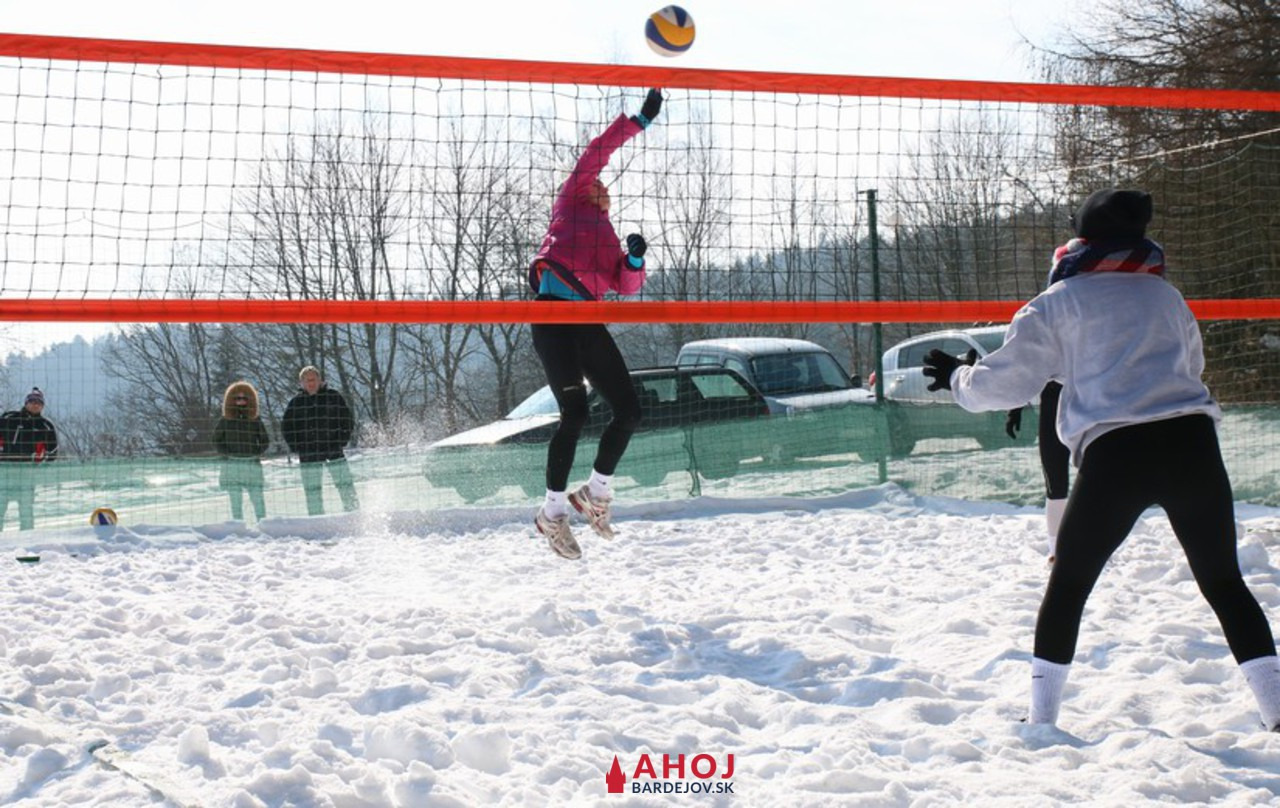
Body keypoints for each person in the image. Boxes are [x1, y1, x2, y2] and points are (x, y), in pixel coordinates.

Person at [922, 188, 1280, 730]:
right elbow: (1192, 366)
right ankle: (1276, 713)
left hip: (1118, 454)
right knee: (1225, 583)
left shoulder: (1058, 301)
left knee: (1069, 584)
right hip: (1192, 444)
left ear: (1081, 237)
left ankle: (1041, 721)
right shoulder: (1167, 296)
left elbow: (1004, 386)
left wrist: (957, 377)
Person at [525, 87, 663, 560]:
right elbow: (599, 151)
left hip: (587, 320)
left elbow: (625, 285)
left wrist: (635, 260)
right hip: (552, 317)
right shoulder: (570, 201)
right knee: (576, 414)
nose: (604, 187)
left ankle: (595, 493)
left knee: (630, 410)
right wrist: (639, 122)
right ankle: (552, 513)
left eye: (606, 188)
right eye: (598, 183)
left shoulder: (607, 236)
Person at [281, 366, 359, 516]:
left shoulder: (333, 397)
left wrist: (341, 440)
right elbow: (287, 428)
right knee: (312, 491)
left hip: (333, 449)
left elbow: (347, 420)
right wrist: (297, 447)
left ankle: (353, 515)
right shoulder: (296, 403)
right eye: (307, 380)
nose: (311, 383)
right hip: (308, 453)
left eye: (313, 379)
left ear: (320, 380)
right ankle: (316, 519)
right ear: (302, 383)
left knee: (345, 485)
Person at [0, 388, 58, 531]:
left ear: (42, 406)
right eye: (32, 401)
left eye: (39, 402)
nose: (35, 405)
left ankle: (27, 539)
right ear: (26, 403)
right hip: (4, 471)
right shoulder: (9, 418)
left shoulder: (45, 426)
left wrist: (40, 465)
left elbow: (53, 452)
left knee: (26, 508)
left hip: (27, 473)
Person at [212, 381, 270, 522]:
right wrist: (227, 454)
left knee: (258, 499)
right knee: (236, 502)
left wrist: (256, 453)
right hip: (232, 467)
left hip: (252, 466)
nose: (241, 401)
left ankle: (263, 524)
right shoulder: (225, 421)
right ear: (231, 399)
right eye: (238, 398)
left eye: (244, 398)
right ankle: (238, 527)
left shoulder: (255, 420)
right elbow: (216, 440)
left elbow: (265, 440)